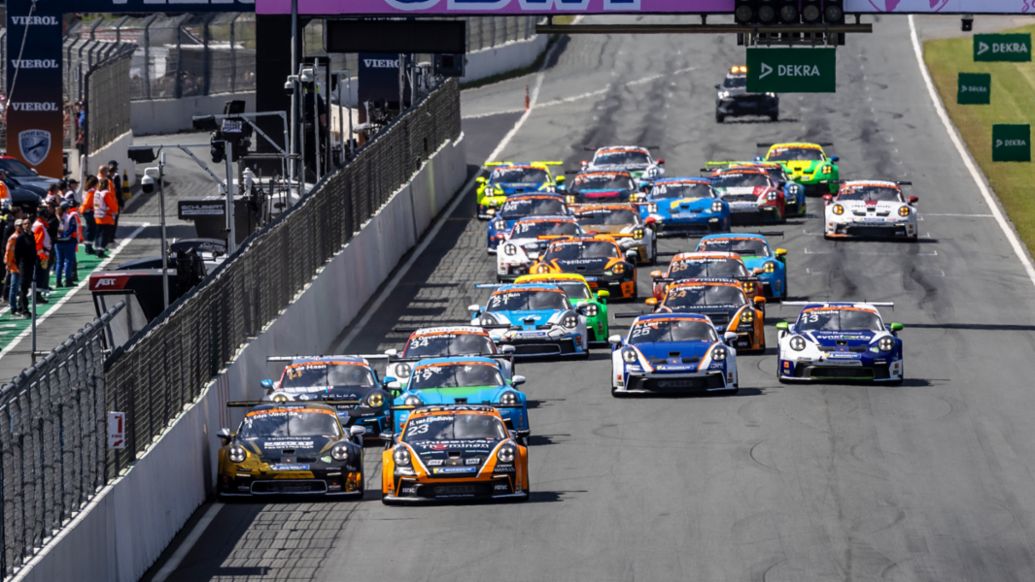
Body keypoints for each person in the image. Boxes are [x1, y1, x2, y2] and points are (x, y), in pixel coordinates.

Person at [54, 202, 79, 288]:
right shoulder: (70, 217)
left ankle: (58, 281)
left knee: (59, 262)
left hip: (58, 242)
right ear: (67, 208)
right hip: (68, 241)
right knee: (68, 261)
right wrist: (66, 234)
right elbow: (73, 228)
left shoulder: (56, 217)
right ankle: (68, 280)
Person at [13, 218, 35, 315]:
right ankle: (24, 308)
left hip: (31, 264)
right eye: (25, 224)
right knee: (23, 287)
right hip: (23, 264)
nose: (27, 225)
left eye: (28, 223)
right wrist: (19, 264)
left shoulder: (32, 235)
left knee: (27, 286)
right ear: (23, 226)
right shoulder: (21, 238)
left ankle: (20, 306)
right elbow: (17, 253)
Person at [93, 180, 118, 258]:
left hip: (97, 215)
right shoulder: (106, 193)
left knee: (98, 234)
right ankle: (101, 251)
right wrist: (115, 210)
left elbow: (96, 205)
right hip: (105, 216)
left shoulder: (96, 193)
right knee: (104, 235)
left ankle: (97, 250)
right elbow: (112, 205)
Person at [31, 207, 52, 301]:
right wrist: (43, 256)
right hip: (41, 255)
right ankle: (37, 295)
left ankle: (38, 294)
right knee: (40, 275)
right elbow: (38, 243)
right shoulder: (39, 226)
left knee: (40, 274)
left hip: (42, 253)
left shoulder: (39, 224)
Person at [5, 219, 25, 315]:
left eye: (22, 225)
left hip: (23, 264)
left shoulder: (25, 235)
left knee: (23, 287)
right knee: (14, 287)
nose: (21, 227)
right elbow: (9, 252)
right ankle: (13, 307)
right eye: (19, 225)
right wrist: (8, 263)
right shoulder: (14, 238)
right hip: (15, 265)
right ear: (15, 226)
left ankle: (22, 306)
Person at [80, 176, 98, 254]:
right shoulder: (92, 191)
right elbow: (87, 203)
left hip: (87, 211)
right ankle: (88, 248)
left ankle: (88, 247)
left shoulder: (86, 190)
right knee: (91, 230)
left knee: (90, 229)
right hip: (89, 212)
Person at [108, 160, 123, 235]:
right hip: (109, 202)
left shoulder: (116, 177)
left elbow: (119, 191)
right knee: (110, 220)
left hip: (114, 202)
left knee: (114, 220)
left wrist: (121, 202)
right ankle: (110, 236)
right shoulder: (106, 178)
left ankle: (112, 235)